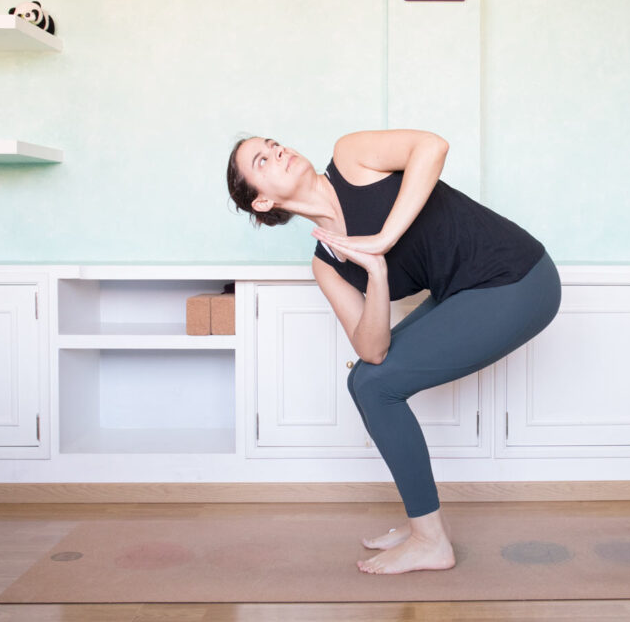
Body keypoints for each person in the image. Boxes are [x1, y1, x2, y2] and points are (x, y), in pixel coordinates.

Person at [226, 129, 561, 574]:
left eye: (272, 144)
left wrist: (383, 238)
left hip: (518, 277)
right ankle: (423, 522)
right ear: (263, 202)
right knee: (366, 380)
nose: (277, 151)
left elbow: (433, 146)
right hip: (464, 290)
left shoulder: (350, 158)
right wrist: (376, 272)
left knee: (374, 387)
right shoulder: (327, 264)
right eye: (261, 162)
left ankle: (430, 541)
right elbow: (373, 349)